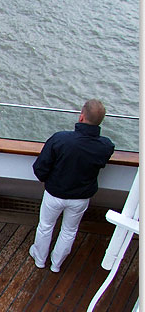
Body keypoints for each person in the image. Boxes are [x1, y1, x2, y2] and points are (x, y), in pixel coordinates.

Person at [29, 99, 115, 273]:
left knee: (45, 226)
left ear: (81, 117)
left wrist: (48, 180)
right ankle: (56, 264)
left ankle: (39, 259)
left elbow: (40, 168)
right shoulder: (105, 146)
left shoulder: (60, 139)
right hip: (80, 198)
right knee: (69, 231)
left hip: (55, 193)